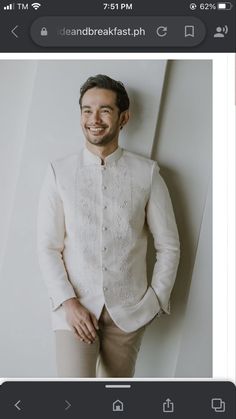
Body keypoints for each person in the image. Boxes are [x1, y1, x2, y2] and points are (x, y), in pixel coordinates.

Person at [37, 74, 180, 377]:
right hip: (74, 311)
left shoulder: (148, 173)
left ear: (123, 117)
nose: (94, 119)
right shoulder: (58, 173)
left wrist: (154, 301)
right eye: (87, 110)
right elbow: (48, 246)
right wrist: (68, 303)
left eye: (104, 110)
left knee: (115, 400)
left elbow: (168, 245)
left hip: (129, 313)